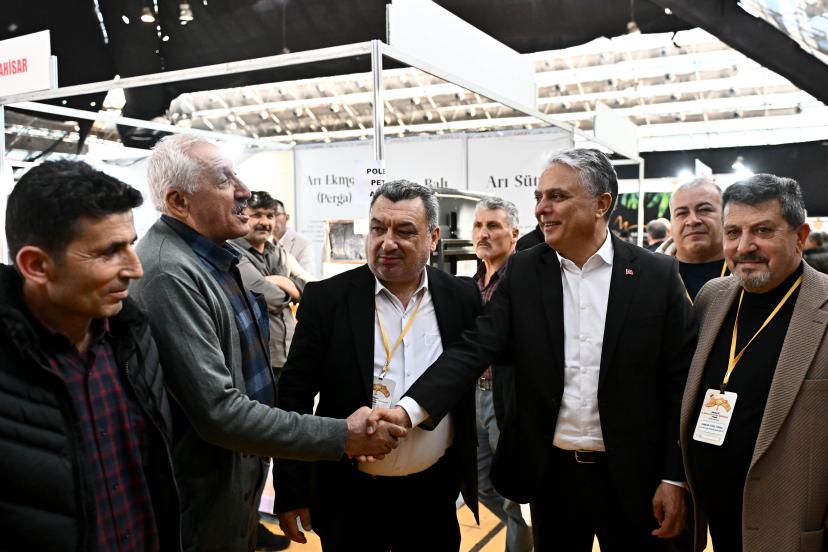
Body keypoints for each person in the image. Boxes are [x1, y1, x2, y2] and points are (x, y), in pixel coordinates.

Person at [373, 148, 697, 551]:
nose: (542, 208)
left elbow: (680, 381)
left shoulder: (655, 274)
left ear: (601, 204)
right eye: (539, 197)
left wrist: (674, 475)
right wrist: (408, 410)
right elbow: (475, 348)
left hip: (636, 476)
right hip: (553, 479)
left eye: (557, 196)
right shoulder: (525, 270)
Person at [130, 134, 405, 552]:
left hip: (236, 476)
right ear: (179, 201)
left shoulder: (219, 258)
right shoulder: (170, 274)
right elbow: (220, 412)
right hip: (202, 494)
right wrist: (342, 435)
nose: (243, 190)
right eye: (224, 180)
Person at [274, 180, 482, 551]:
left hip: (433, 495)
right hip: (350, 497)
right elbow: (294, 396)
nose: (387, 243)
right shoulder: (328, 300)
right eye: (377, 228)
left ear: (433, 238)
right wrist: (291, 489)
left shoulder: (461, 297)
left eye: (404, 231)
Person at [0, 160, 180, 551]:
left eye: (131, 244)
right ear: (36, 265)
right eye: (109, 252)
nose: (135, 269)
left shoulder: (133, 336)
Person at [680, 174, 828, 552]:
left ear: (800, 236)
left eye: (762, 230)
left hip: (792, 529)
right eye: (733, 232)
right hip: (717, 517)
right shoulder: (711, 297)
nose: (744, 247)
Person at [229, 189, 306, 550]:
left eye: (269, 215)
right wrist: (284, 286)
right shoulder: (234, 254)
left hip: (285, 358)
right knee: (254, 449)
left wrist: (284, 284)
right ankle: (249, 525)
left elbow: (309, 287)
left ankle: (266, 515)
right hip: (255, 364)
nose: (264, 222)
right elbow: (264, 294)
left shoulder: (279, 253)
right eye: (256, 214)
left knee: (285, 441)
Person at [471, 196, 533, 552]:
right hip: (474, 395)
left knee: (514, 494)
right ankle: (526, 533)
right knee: (480, 483)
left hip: (509, 398)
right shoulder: (473, 283)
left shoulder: (525, 280)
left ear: (514, 234)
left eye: (493, 226)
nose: (484, 233)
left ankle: (521, 539)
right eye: (478, 225)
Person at [657, 178, 730, 302]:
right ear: (671, 224)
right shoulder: (648, 275)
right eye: (682, 213)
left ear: (726, 216)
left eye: (704, 209)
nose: (692, 220)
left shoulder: (751, 271)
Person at [272, 198, 316, 276]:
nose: (273, 220)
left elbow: (307, 276)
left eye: (276, 214)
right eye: (269, 216)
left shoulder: (303, 243)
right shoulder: (264, 243)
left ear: (287, 217)